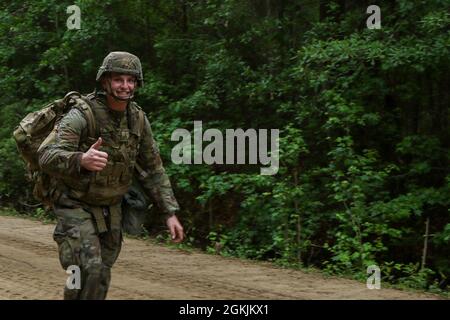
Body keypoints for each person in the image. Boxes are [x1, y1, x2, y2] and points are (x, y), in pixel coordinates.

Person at [38, 51, 184, 300]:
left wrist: (169, 212)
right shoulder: (83, 114)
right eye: (118, 79)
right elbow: (46, 155)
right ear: (105, 81)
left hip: (111, 207)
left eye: (131, 80)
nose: (125, 86)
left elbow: (152, 168)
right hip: (74, 202)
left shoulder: (137, 119)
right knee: (88, 268)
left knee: (101, 274)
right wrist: (81, 159)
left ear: (137, 84)